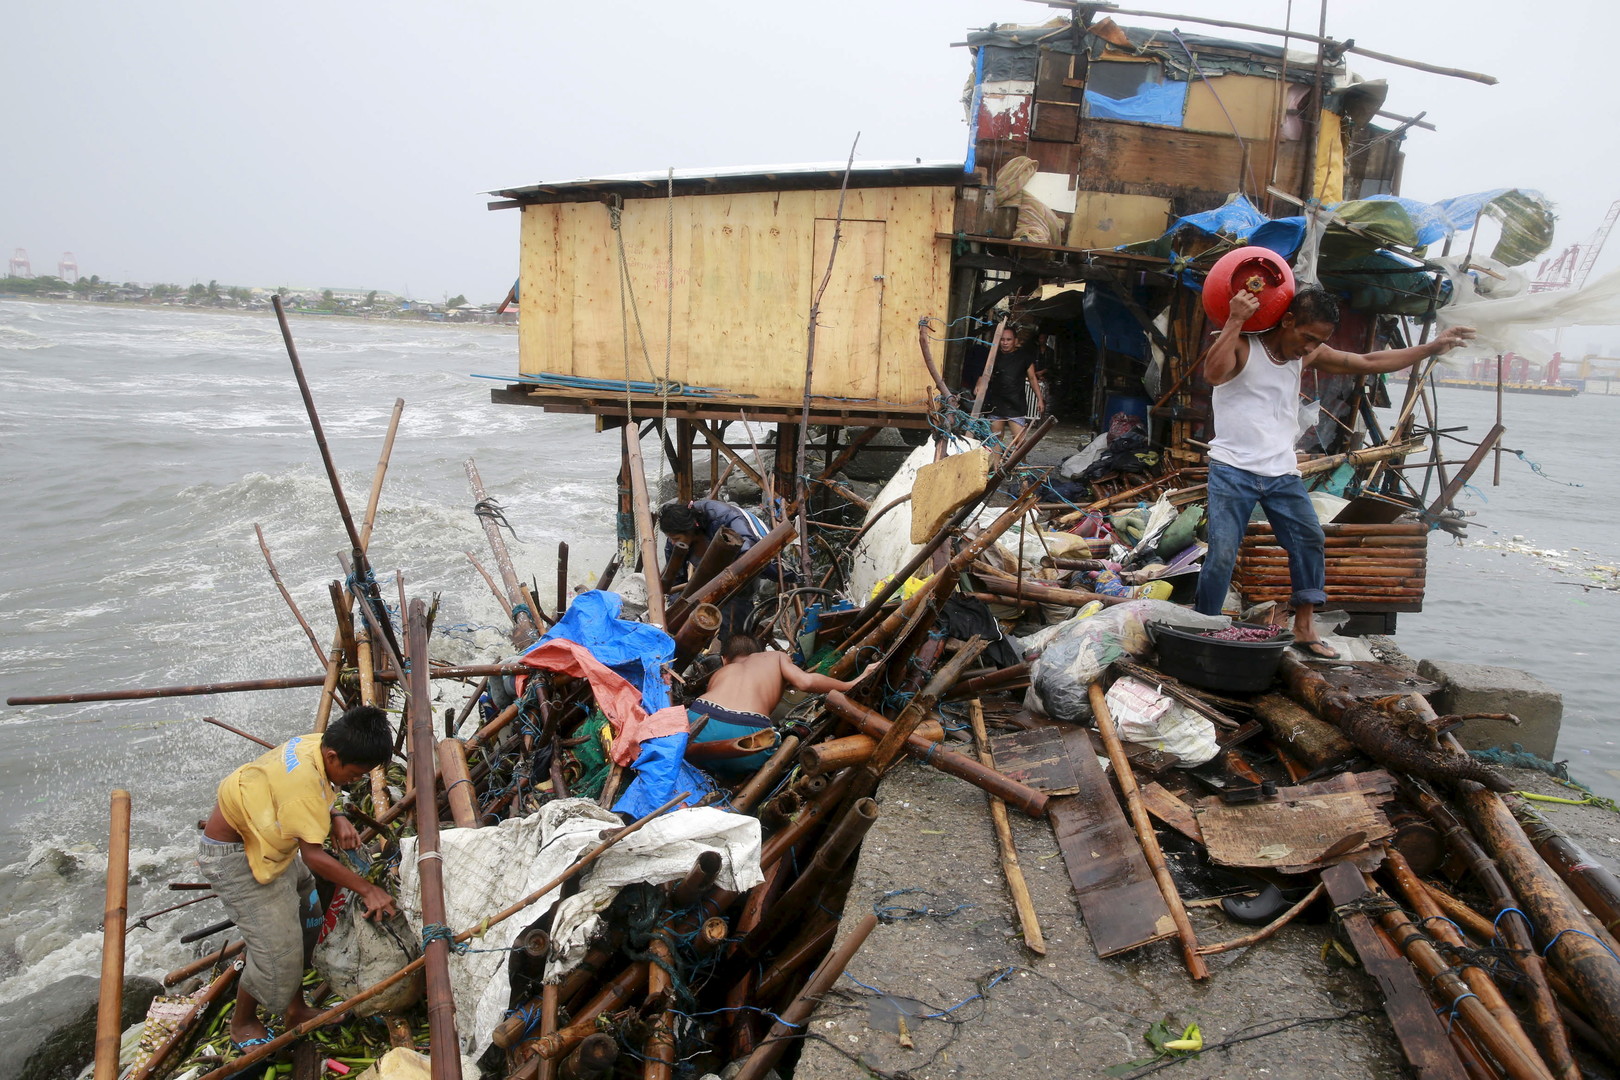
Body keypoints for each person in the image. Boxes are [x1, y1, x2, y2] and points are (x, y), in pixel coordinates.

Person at [1195, 286, 1474, 657]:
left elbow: (1369, 362)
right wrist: (1235, 319)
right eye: (1307, 337)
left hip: (1281, 472)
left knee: (1309, 539)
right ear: (1289, 320)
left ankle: (1305, 628)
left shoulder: (1304, 356)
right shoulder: (1244, 345)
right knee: (1222, 553)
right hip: (1232, 470)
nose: (1309, 348)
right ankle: (1205, 629)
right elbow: (1213, 375)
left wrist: (1431, 348)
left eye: (1319, 342)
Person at [197, 705, 399, 1050]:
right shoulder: (304, 786)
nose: (355, 781)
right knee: (277, 949)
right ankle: (242, 1022)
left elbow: (313, 793)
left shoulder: (316, 744)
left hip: (271, 840)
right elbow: (316, 856)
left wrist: (334, 814)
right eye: (353, 774)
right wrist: (368, 889)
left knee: (309, 917)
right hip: (238, 857)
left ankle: (295, 1008)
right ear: (333, 755)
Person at [686, 632, 876, 774]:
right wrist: (850, 683)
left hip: (697, 724)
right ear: (758, 652)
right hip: (748, 737)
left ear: (723, 658)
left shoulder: (720, 673)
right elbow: (806, 682)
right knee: (770, 744)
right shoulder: (774, 657)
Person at [658, 499, 775, 638]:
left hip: (740, 576)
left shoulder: (722, 518)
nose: (672, 541)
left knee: (734, 627)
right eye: (670, 538)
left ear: (689, 529)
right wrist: (682, 610)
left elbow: (749, 552)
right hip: (706, 584)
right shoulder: (675, 541)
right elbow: (675, 584)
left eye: (675, 537)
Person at [962, 325, 1045, 442]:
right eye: (1002, 339)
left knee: (1019, 441)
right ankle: (996, 461)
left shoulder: (1024, 357)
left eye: (1008, 340)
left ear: (1015, 341)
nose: (1005, 343)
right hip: (996, 403)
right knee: (996, 438)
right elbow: (985, 374)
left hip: (1015, 404)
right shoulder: (993, 356)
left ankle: (1021, 461)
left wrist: (1039, 399)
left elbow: (1032, 378)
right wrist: (979, 384)